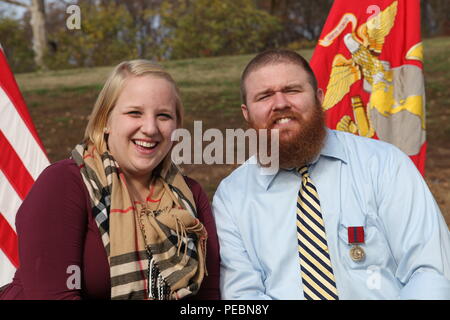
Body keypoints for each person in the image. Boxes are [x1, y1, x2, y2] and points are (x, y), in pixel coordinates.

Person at [212, 49, 450, 300]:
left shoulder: (384, 164)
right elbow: (243, 297)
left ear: (319, 98)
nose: (280, 103)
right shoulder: (231, 197)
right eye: (265, 96)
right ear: (246, 113)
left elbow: (430, 270)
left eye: (292, 90)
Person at [0, 60, 220, 300]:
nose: (150, 128)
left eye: (164, 116)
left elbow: (207, 297)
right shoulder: (64, 183)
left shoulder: (190, 194)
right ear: (105, 121)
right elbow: (52, 296)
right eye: (134, 113)